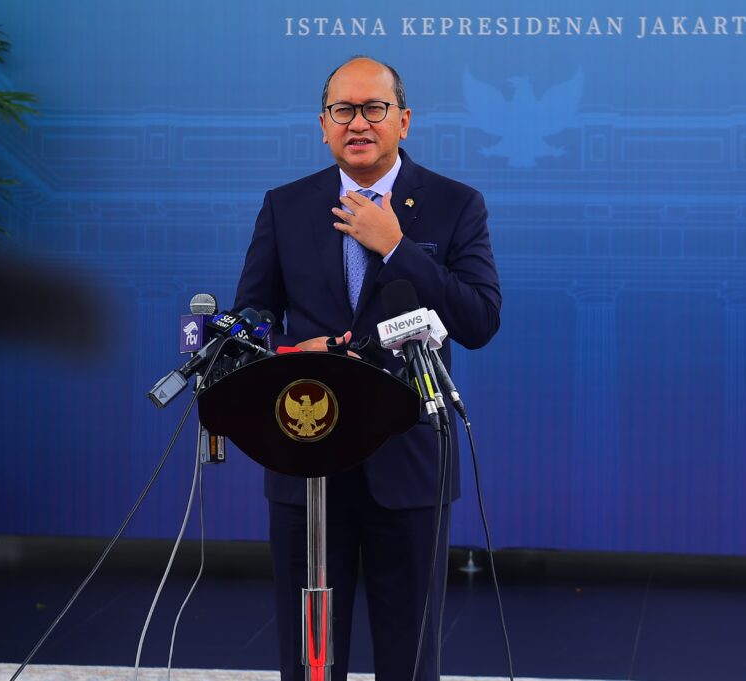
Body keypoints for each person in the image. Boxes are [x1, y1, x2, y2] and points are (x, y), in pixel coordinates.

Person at [234, 56, 502, 681]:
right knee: (310, 659)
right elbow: (249, 322)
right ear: (322, 125)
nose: (358, 123)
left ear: (403, 121)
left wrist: (397, 246)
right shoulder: (285, 206)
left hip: (407, 464)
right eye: (342, 110)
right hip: (306, 451)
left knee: (409, 659)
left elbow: (480, 320)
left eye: (374, 109)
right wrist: (291, 351)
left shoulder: (455, 204)